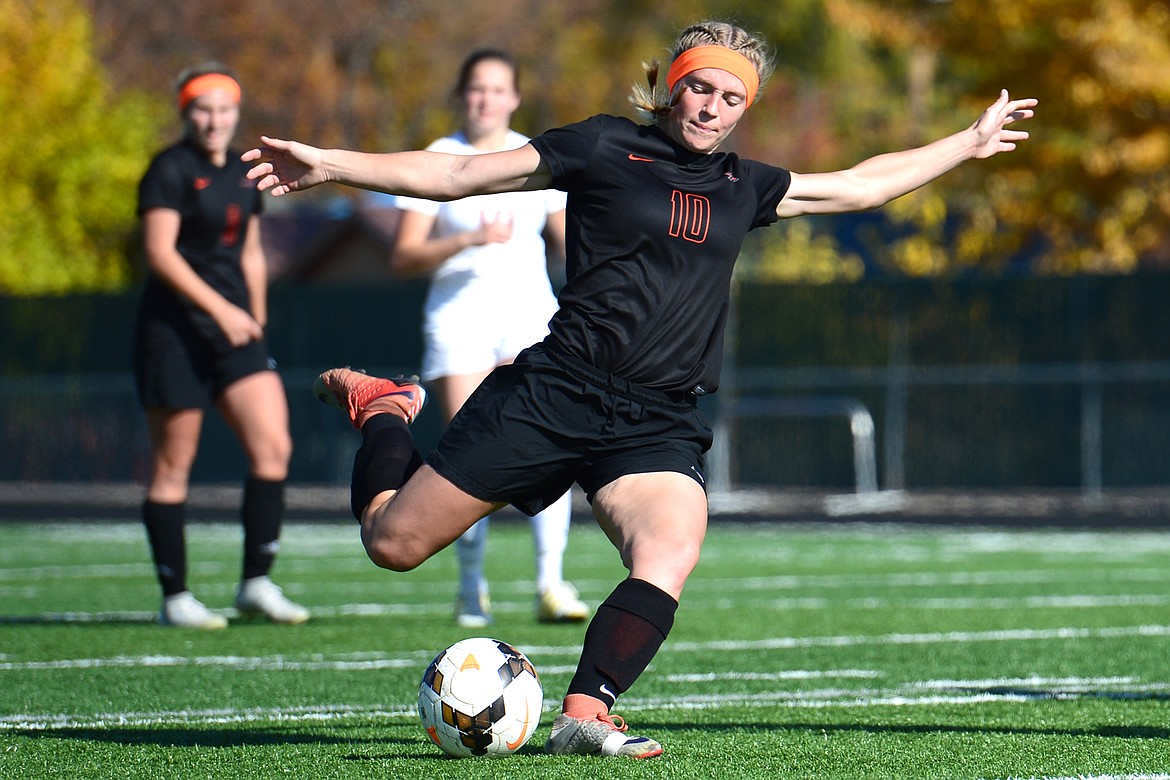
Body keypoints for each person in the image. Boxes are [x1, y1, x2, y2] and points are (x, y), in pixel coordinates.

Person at [244, 20, 1035, 756]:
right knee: (392, 544)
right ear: (671, 87)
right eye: (701, 88)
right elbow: (456, 173)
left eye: (732, 98)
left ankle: (586, 711)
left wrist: (966, 144)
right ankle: (383, 407)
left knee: (669, 548)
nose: (713, 108)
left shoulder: (745, 184)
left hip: (657, 416)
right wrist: (331, 163)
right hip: (556, 391)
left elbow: (860, 186)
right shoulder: (599, 146)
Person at [367, 49, 588, 627]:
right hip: (460, 318)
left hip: (530, 319)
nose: (485, 99)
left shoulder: (538, 156)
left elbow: (574, 248)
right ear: (462, 95)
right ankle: (470, 590)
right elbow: (403, 256)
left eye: (497, 90)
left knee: (548, 448)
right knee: (469, 455)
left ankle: (551, 583)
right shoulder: (438, 159)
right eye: (476, 89)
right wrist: (466, 241)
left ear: (514, 98)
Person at [134, 62, 309, 630]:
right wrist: (222, 310)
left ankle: (256, 583)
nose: (214, 120)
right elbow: (161, 255)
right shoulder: (168, 169)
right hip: (176, 334)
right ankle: (175, 598)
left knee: (273, 447)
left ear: (236, 113)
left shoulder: (243, 169)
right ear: (186, 113)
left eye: (225, 109)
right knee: (172, 465)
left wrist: (253, 315)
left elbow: (252, 250)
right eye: (203, 109)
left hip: (236, 332)